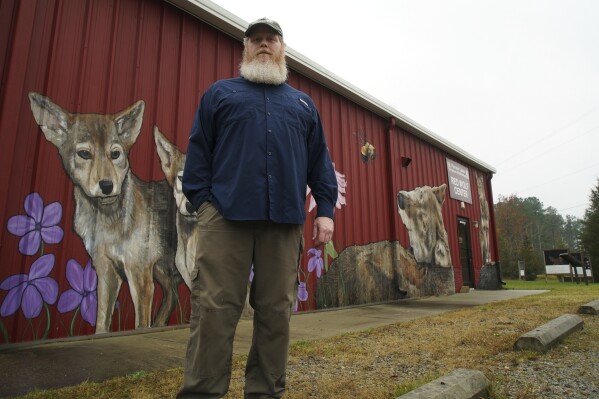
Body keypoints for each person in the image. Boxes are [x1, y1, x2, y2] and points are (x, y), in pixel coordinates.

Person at [177, 18, 338, 399]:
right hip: (225, 219)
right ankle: (201, 393)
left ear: (282, 49)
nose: (264, 45)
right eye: (256, 40)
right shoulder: (220, 95)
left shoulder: (303, 105)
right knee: (214, 310)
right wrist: (204, 205)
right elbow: (198, 155)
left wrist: (326, 210)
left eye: (272, 39)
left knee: (275, 313)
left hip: (283, 222)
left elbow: (319, 162)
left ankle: (265, 393)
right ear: (245, 49)